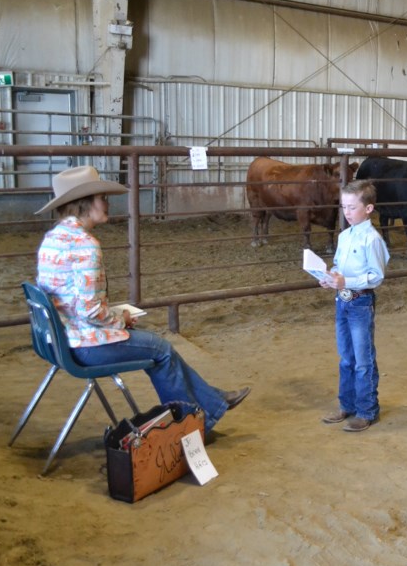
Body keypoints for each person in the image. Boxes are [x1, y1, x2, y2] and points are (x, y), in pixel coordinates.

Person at [34, 166, 250, 434]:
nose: (107, 202)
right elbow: (90, 311)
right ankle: (193, 425)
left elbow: (73, 301)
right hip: (85, 343)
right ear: (85, 203)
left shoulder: (53, 238)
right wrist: (119, 319)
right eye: (102, 197)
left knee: (159, 348)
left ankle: (211, 403)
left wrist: (112, 316)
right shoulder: (85, 244)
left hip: (61, 339)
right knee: (161, 349)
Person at [320, 180, 390, 432]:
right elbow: (339, 264)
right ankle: (347, 404)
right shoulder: (344, 237)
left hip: (360, 301)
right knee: (346, 357)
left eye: (352, 207)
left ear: (368, 208)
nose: (347, 213)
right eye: (344, 207)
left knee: (363, 359)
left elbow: (377, 276)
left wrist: (345, 281)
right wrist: (331, 277)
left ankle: (367, 410)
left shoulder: (372, 240)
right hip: (343, 301)